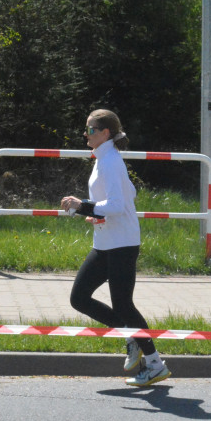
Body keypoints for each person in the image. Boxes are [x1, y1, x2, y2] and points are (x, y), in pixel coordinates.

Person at [59, 109, 170, 388]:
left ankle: (155, 364)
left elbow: (119, 204)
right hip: (107, 241)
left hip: (121, 243)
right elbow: (129, 193)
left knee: (123, 305)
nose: (86, 134)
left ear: (106, 133)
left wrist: (82, 205)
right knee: (80, 298)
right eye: (86, 129)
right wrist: (96, 212)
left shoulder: (109, 160)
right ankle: (130, 336)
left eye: (91, 129)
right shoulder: (105, 158)